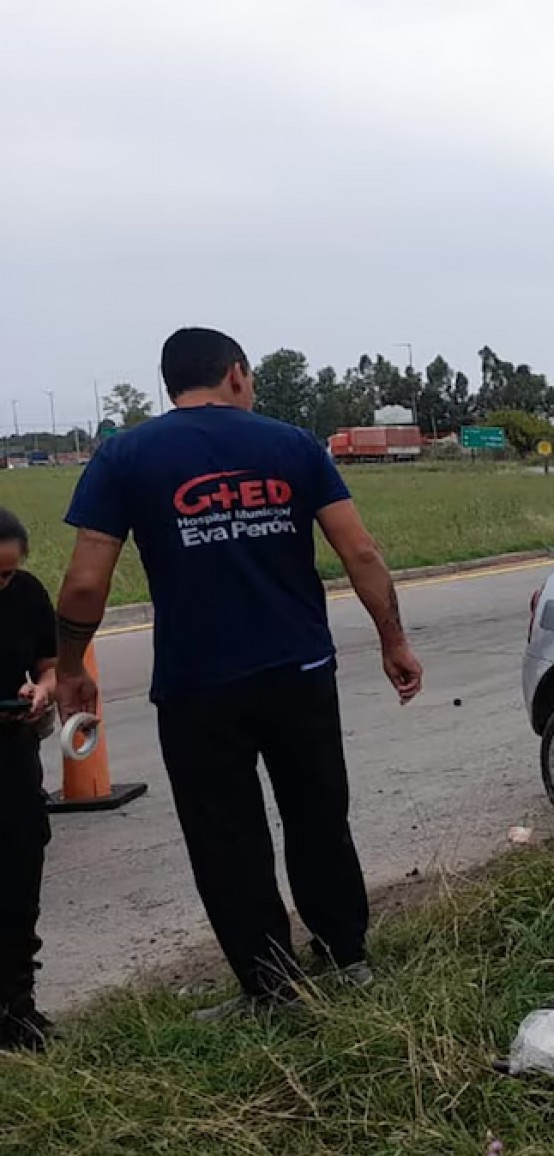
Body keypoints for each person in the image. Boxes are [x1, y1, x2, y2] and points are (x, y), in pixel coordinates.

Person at [53, 327, 424, 1021]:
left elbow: (81, 586)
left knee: (227, 838)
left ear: (170, 384)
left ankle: (270, 989)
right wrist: (393, 640)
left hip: (199, 685)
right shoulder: (291, 445)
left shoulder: (124, 456)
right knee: (318, 815)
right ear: (235, 374)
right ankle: (350, 961)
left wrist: (71, 666)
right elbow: (361, 552)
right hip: (300, 670)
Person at [0, 509, 57, 1050]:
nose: (1, 584)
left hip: (12, 752)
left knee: (18, 880)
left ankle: (18, 1010)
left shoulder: (28, 594)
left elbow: (50, 665)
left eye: (7, 574)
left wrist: (43, 690)